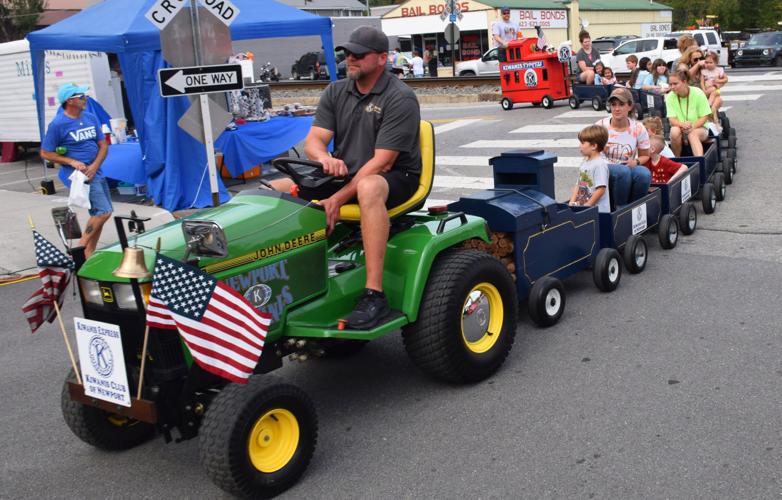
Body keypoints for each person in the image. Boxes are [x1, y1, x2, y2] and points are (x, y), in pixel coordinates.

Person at [271, 26, 421, 329]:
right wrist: (325, 158)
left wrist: (337, 198)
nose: (349, 59)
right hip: (348, 174)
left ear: (381, 58)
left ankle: (374, 294)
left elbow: (382, 162)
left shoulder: (400, 98)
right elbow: (314, 141)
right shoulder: (336, 91)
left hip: (396, 177)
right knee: (274, 189)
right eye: (347, 53)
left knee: (368, 186)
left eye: (358, 54)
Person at [40, 83, 110, 258]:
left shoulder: (90, 118)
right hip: (80, 176)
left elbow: (103, 145)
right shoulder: (58, 124)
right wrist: (71, 161)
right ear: (70, 101)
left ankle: (88, 253)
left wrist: (94, 166)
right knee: (103, 212)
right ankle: (79, 250)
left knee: (99, 214)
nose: (85, 98)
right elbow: (45, 152)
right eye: (81, 96)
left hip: (96, 171)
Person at [595, 87, 651, 207]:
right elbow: (588, 153)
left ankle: (636, 207)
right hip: (603, 167)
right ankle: (620, 209)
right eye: (613, 105)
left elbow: (645, 155)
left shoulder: (638, 128)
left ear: (629, 106)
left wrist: (635, 161)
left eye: (621, 104)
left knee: (644, 174)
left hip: (626, 166)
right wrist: (600, 149)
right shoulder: (600, 126)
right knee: (623, 172)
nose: (616, 109)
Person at [665, 69, 712, 157]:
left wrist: (692, 127)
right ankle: (677, 160)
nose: (672, 87)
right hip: (681, 127)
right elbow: (671, 119)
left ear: (684, 82)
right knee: (674, 131)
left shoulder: (698, 93)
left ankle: (699, 162)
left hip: (699, 128)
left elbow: (705, 116)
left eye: (675, 84)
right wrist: (682, 125)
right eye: (670, 84)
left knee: (692, 134)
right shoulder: (670, 96)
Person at [569, 125, 610, 213]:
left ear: (594, 146)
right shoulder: (584, 162)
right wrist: (571, 203)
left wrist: (587, 206)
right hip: (583, 207)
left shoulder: (599, 164)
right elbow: (578, 185)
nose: (579, 146)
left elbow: (601, 189)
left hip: (597, 211)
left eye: (583, 143)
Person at [700, 51, 728, 124]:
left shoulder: (719, 70)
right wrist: (703, 89)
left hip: (715, 90)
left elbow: (725, 79)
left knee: (713, 93)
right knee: (708, 95)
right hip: (707, 89)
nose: (708, 64)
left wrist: (718, 80)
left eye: (711, 62)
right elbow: (702, 82)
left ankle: (709, 105)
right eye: (706, 62)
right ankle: (710, 113)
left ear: (715, 63)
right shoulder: (704, 71)